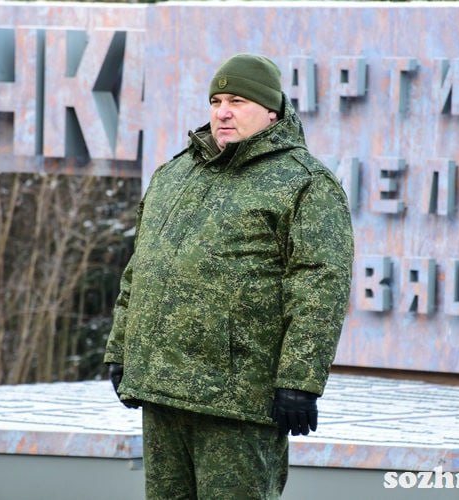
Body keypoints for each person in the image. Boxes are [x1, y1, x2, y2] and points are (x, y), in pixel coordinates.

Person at [103, 53, 354, 499]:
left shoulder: (304, 183)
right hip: (161, 390)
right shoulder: (175, 174)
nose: (222, 112)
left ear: (271, 111)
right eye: (216, 101)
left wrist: (299, 381)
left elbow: (320, 287)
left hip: (237, 401)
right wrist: (121, 348)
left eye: (237, 101)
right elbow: (140, 268)